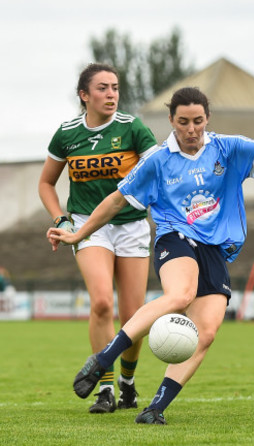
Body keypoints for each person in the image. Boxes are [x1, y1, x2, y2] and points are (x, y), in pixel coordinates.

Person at [47, 86, 254, 425]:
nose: (191, 129)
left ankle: (155, 408)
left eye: (198, 121)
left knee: (206, 332)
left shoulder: (226, 148)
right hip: (175, 238)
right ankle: (104, 359)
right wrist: (79, 233)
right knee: (180, 294)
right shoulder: (158, 161)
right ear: (171, 121)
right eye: (183, 122)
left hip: (215, 249)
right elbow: (116, 200)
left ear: (207, 119)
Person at [38, 63, 158, 414]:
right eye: (103, 88)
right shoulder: (66, 133)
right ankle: (104, 389)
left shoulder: (133, 128)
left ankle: (128, 383)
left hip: (133, 225)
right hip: (87, 225)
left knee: (133, 316)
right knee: (102, 303)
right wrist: (60, 218)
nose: (111, 94)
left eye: (115, 87)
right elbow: (46, 183)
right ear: (84, 95)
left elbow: (159, 170)